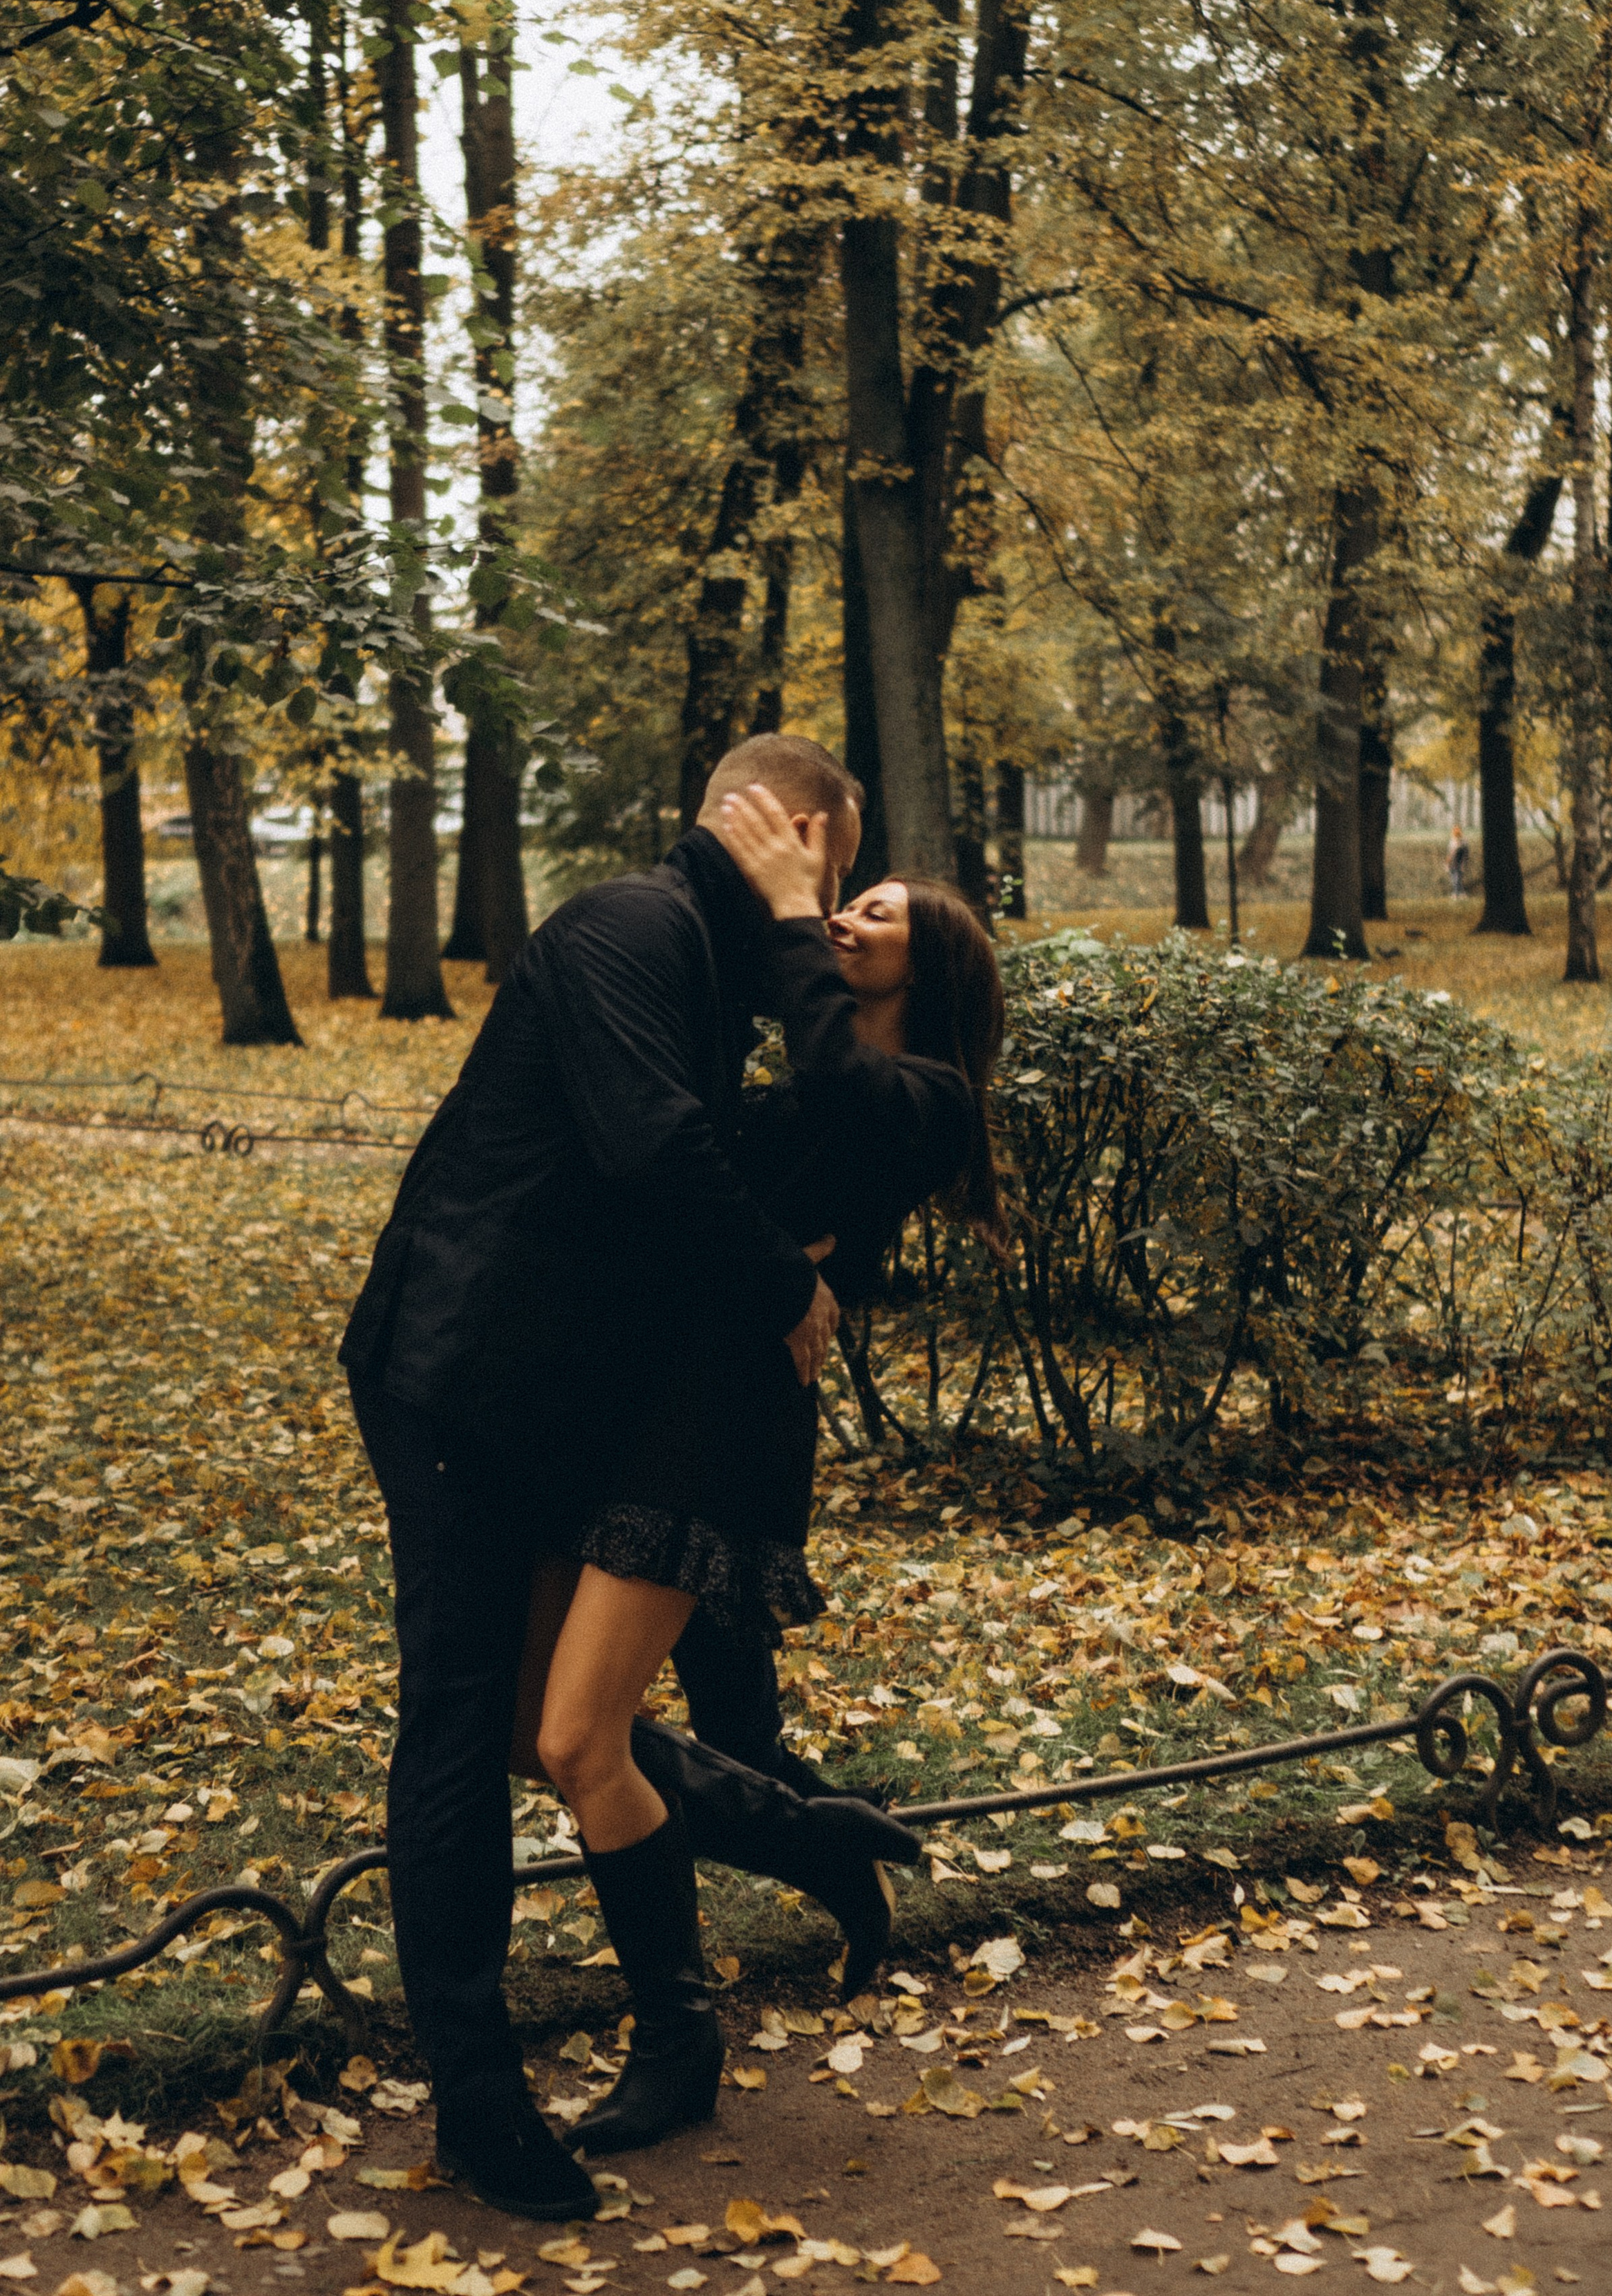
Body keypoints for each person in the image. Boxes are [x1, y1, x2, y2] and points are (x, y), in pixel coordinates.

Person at [341, 737, 917, 2218]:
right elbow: (652, 1146)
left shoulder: (724, 969)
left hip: (569, 1404)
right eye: (829, 866)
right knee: (467, 1725)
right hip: (461, 1375)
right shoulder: (629, 926)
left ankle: (798, 1844)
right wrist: (781, 1296)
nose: (832, 902)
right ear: (787, 829)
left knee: (566, 1724)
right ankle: (477, 2105)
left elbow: (811, 1143)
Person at [509, 790, 1007, 2160]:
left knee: (570, 1742)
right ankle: (802, 1839)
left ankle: (675, 2040)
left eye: (876, 911)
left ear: (936, 966)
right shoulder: (821, 1085)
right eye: (841, 902)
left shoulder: (925, 1102)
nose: (844, 914)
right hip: (635, 1407)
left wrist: (790, 918)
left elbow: (840, 1096)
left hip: (714, 1432)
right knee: (527, 1727)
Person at [1447, 821, 1468, 897]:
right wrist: (1448, 862)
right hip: (1452, 862)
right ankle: (1461, 893)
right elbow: (1450, 852)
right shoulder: (1452, 841)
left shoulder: (1464, 841)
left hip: (1459, 862)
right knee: (1454, 878)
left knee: (1458, 878)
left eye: (1457, 829)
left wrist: (1464, 863)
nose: (1456, 831)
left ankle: (1456, 894)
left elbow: (1466, 853)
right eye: (1454, 829)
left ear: (1460, 830)